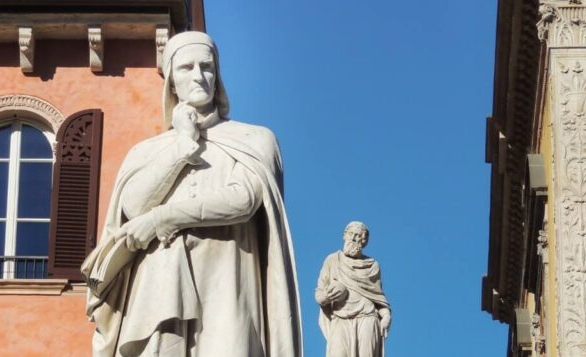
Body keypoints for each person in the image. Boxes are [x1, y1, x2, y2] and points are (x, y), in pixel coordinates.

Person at [81, 31, 302, 357]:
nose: (199, 76)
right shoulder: (147, 151)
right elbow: (133, 205)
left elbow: (243, 200)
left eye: (207, 67)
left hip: (228, 287)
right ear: (171, 81)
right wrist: (183, 146)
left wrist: (163, 217)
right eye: (186, 68)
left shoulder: (254, 139)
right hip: (159, 290)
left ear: (218, 76)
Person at [315, 221, 391, 357]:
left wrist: (386, 316)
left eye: (359, 236)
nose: (354, 239)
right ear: (345, 235)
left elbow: (379, 299)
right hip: (340, 318)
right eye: (351, 234)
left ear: (364, 241)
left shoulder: (372, 265)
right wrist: (326, 297)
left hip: (367, 318)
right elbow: (319, 294)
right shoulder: (332, 260)